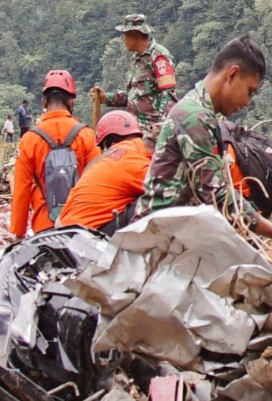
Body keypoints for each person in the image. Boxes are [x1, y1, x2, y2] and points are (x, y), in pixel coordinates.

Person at [135, 36, 272, 255]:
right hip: (156, 244)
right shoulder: (195, 118)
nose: (248, 103)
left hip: (170, 242)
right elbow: (218, 197)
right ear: (232, 74)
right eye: (250, 91)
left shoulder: (200, 113)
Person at [11, 70, 101, 238]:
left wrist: (18, 232)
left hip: (44, 229)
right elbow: (97, 184)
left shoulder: (29, 140)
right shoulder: (86, 135)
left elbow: (21, 190)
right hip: (80, 228)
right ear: (71, 102)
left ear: (44, 102)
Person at [56, 110, 152, 235]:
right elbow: (168, 187)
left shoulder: (106, 161)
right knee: (152, 204)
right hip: (83, 237)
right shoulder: (129, 158)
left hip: (67, 230)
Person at [92, 14, 178, 128]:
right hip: (136, 128)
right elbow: (133, 96)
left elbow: (168, 97)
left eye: (126, 35)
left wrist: (160, 131)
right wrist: (106, 98)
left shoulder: (159, 57)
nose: (124, 40)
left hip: (152, 131)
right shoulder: (137, 60)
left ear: (135, 35)